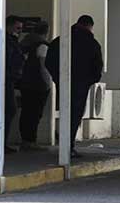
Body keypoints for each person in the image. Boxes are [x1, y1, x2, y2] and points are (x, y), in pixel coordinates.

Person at [45, 15, 103, 158]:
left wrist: (58, 78)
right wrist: (89, 81)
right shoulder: (92, 44)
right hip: (81, 85)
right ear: (90, 26)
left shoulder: (61, 40)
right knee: (75, 116)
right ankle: (68, 146)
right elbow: (97, 66)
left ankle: (64, 143)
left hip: (64, 82)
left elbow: (49, 61)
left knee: (64, 113)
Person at [19, 21, 52, 151]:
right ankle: (31, 141)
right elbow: (43, 67)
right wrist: (48, 83)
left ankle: (25, 140)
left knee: (26, 112)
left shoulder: (26, 42)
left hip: (25, 82)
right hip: (38, 84)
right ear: (46, 32)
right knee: (35, 113)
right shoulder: (42, 45)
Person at [5, 15, 25, 153]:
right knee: (9, 110)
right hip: (6, 80)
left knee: (10, 110)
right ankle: (0, 143)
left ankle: (2, 142)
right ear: (9, 26)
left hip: (10, 80)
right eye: (17, 28)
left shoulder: (11, 41)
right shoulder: (6, 41)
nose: (20, 31)